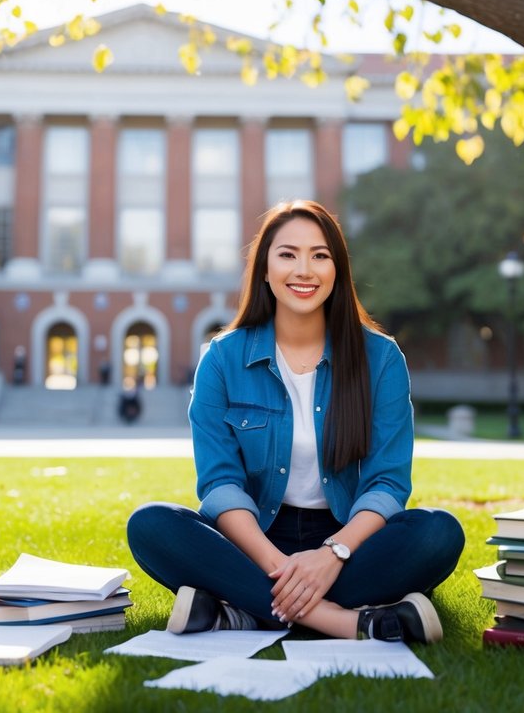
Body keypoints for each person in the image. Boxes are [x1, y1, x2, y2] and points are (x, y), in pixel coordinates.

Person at [126, 200, 464, 644]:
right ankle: (342, 621)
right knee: (151, 525)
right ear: (265, 270)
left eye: (319, 256)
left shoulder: (381, 359)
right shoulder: (222, 360)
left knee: (437, 533)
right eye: (288, 254)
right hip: (254, 539)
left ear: (337, 270)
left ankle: (241, 612)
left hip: (348, 538)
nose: (304, 269)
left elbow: (387, 484)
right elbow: (220, 485)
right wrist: (279, 567)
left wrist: (332, 554)